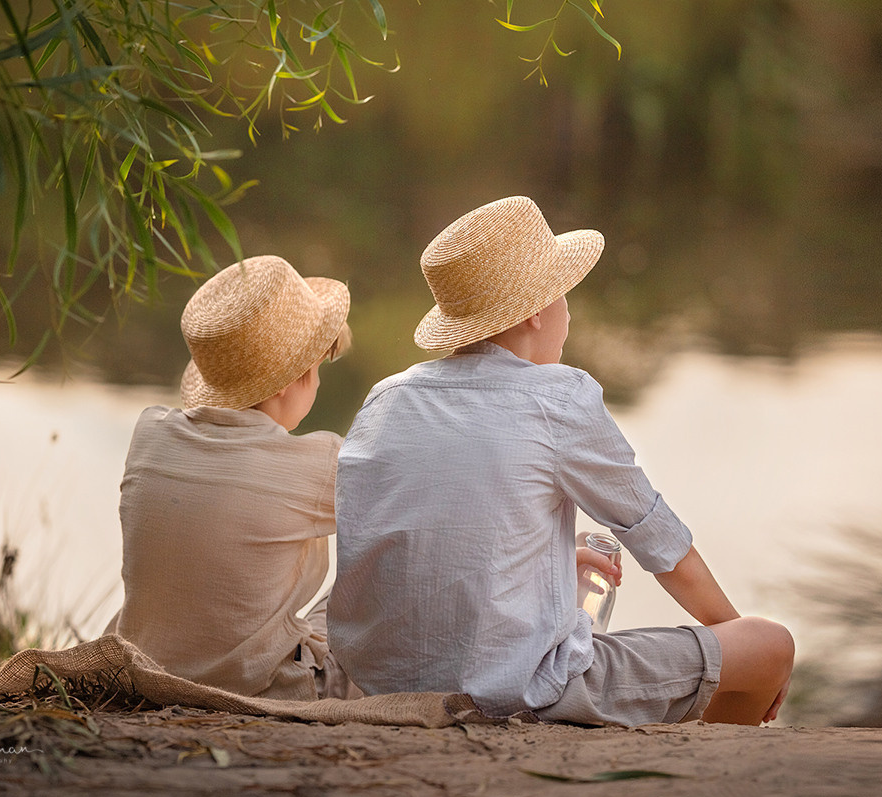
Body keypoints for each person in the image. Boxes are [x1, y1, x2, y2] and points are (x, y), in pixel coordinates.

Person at [329, 196, 793, 725]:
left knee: (577, 587)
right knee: (769, 645)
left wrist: (546, 563)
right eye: (565, 297)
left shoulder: (387, 399)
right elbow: (660, 543)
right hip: (512, 692)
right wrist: (737, 644)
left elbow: (407, 546)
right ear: (535, 313)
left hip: (379, 686)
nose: (569, 314)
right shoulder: (557, 399)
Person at [106, 255, 360, 701]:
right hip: (259, 686)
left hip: (148, 672)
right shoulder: (317, 464)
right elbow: (404, 498)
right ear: (286, 381)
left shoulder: (150, 434)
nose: (317, 382)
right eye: (316, 367)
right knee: (356, 589)